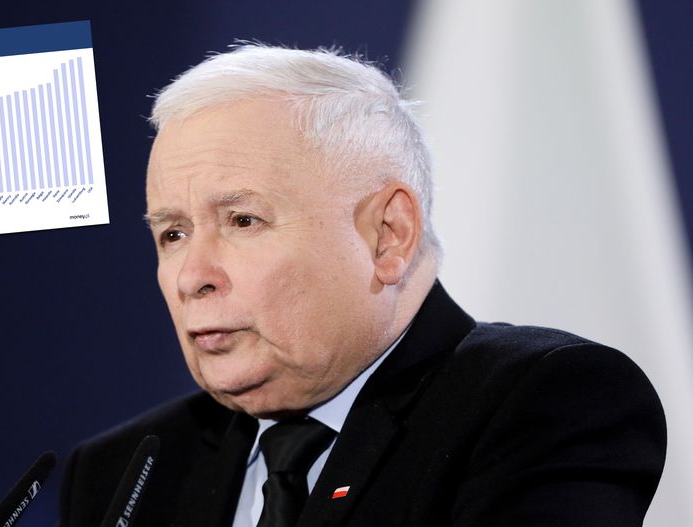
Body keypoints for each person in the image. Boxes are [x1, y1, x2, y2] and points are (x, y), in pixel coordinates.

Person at [59, 44, 666, 527]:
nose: (192, 277)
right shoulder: (122, 472)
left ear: (387, 235)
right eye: (172, 234)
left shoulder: (546, 404)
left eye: (243, 221)